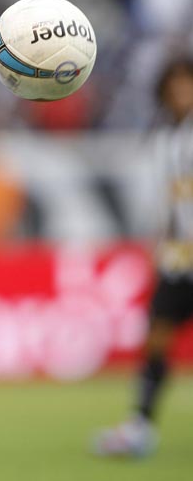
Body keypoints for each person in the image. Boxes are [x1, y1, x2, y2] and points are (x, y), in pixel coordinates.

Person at [93, 55, 193, 458]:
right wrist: (160, 245)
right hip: (178, 260)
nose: (181, 91)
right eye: (175, 85)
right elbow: (167, 203)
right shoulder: (164, 136)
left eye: (187, 83)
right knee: (156, 340)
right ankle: (140, 427)